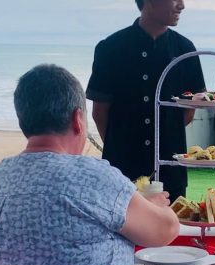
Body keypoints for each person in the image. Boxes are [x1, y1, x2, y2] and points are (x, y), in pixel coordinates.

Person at [0, 64, 180, 265]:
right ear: (77, 120)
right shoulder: (89, 176)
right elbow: (165, 229)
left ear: (24, 122)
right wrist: (152, 205)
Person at [86, 0, 206, 201]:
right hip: (121, 172)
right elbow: (100, 112)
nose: (182, 5)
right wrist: (120, 149)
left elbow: (189, 109)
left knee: (171, 229)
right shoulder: (111, 48)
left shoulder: (185, 49)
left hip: (170, 169)